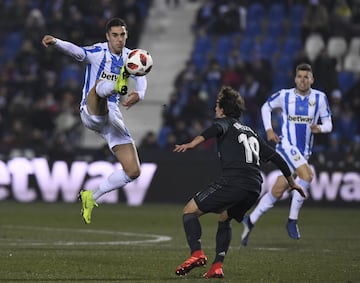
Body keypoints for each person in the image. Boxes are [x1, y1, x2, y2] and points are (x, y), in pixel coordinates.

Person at [173, 86, 304, 278]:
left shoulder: (225, 123)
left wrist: (193, 143)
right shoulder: (251, 131)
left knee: (189, 211)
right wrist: (291, 181)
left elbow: (215, 128)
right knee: (224, 217)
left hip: (234, 181)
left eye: (217, 106)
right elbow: (276, 157)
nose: (215, 109)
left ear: (223, 110)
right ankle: (217, 265)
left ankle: (197, 253)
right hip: (254, 187)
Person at [41, 17, 147, 224]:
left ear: (127, 36)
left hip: (112, 116)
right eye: (115, 35)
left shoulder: (130, 57)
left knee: (133, 171)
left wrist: (140, 94)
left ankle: (92, 196)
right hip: (91, 110)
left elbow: (141, 75)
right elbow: (77, 52)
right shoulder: (98, 52)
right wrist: (56, 42)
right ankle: (117, 85)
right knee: (101, 85)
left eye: (122, 35)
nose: (119, 39)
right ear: (108, 36)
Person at [241, 63, 333, 246]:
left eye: (306, 77)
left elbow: (329, 125)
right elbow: (265, 107)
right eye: (300, 76)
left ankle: (250, 220)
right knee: (308, 175)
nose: (303, 80)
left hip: (303, 153)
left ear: (312, 80)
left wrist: (320, 128)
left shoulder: (320, 98)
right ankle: (292, 220)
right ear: (295, 78)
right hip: (286, 146)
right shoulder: (285, 95)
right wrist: (268, 130)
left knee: (277, 190)